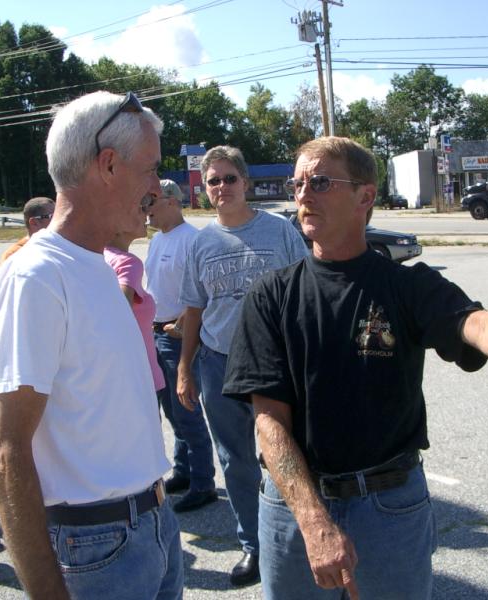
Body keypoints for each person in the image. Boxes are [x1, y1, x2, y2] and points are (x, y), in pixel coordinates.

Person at [222, 136, 488, 600]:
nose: (303, 195)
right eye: (297, 184)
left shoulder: (406, 286)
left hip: (389, 506)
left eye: (319, 182)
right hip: (294, 508)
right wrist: (313, 520)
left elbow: (477, 325)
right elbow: (269, 422)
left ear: (365, 196)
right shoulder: (271, 295)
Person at [0, 91, 183, 600]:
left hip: (153, 526)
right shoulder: (36, 277)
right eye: (150, 169)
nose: (156, 188)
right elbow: (7, 454)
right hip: (96, 548)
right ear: (108, 164)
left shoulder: (94, 264)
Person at [177, 145, 308, 586]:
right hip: (219, 364)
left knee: (287, 454)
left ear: (246, 183)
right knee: (235, 461)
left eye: (229, 178)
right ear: (204, 189)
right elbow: (194, 310)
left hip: (275, 363)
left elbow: (305, 294)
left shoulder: (280, 231)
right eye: (213, 181)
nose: (222, 187)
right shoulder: (200, 243)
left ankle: (298, 536)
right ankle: (254, 545)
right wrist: (185, 368)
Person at [145, 179, 217, 513]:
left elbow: (202, 292)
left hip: (178, 337)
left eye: (152, 202)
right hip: (156, 333)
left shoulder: (192, 240)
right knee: (172, 411)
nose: (146, 209)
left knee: (187, 409)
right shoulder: (157, 240)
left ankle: (203, 483)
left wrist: (183, 326)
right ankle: (184, 471)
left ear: (172, 201)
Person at [104, 193, 166, 400]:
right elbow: (120, 317)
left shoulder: (99, 255)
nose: (147, 213)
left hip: (111, 375)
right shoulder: (127, 263)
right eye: (140, 209)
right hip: (137, 374)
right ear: (118, 222)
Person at [0, 196, 55, 261]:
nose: (58, 219)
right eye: (52, 216)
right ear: (34, 223)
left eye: (58, 215)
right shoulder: (15, 254)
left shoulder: (57, 246)